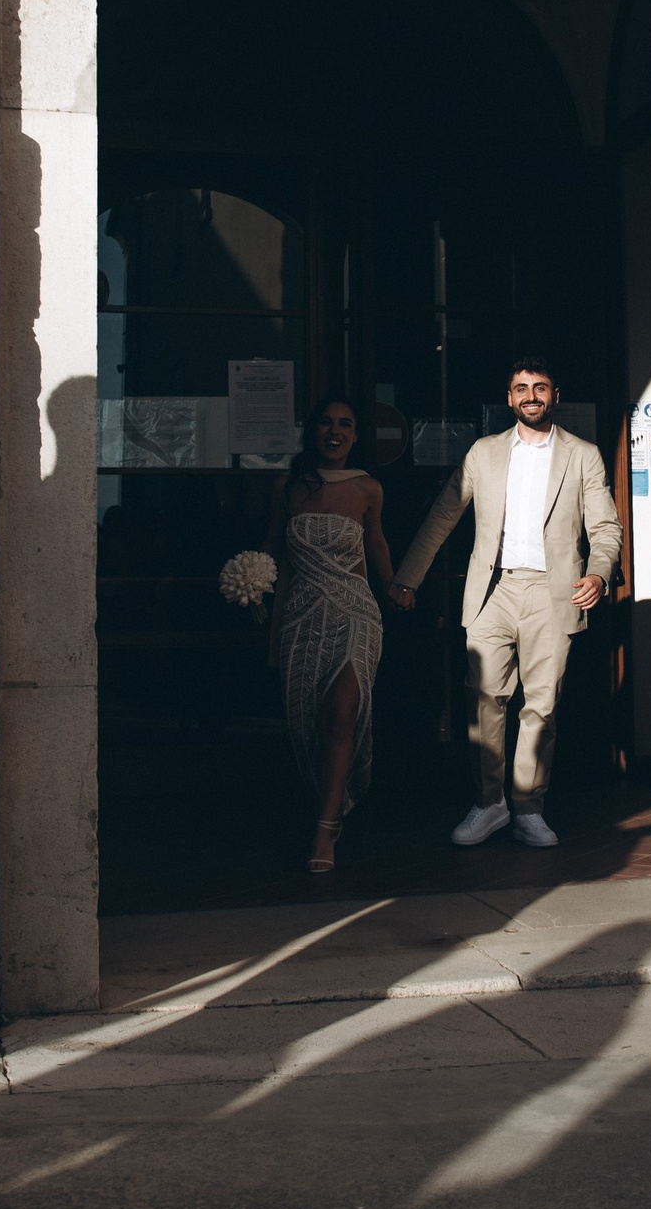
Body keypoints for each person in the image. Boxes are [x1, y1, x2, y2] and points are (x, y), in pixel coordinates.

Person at [389, 357, 622, 849]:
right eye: (522, 388)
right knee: (484, 698)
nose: (531, 396)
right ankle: (490, 803)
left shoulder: (584, 455)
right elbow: (442, 517)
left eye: (540, 388)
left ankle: (529, 808)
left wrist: (599, 572)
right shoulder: (483, 453)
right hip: (491, 592)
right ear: (509, 398)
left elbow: (605, 528)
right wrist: (409, 577)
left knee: (540, 707)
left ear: (554, 396)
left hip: (552, 592)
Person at [261, 398, 393, 873]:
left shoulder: (367, 488)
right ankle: (330, 802)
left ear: (355, 436)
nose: (335, 431)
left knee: (342, 713)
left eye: (346, 424)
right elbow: (272, 548)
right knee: (307, 723)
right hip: (301, 617)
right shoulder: (289, 486)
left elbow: (375, 544)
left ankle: (325, 829)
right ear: (312, 431)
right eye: (326, 423)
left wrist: (397, 586)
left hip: (356, 612)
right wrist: (253, 585)